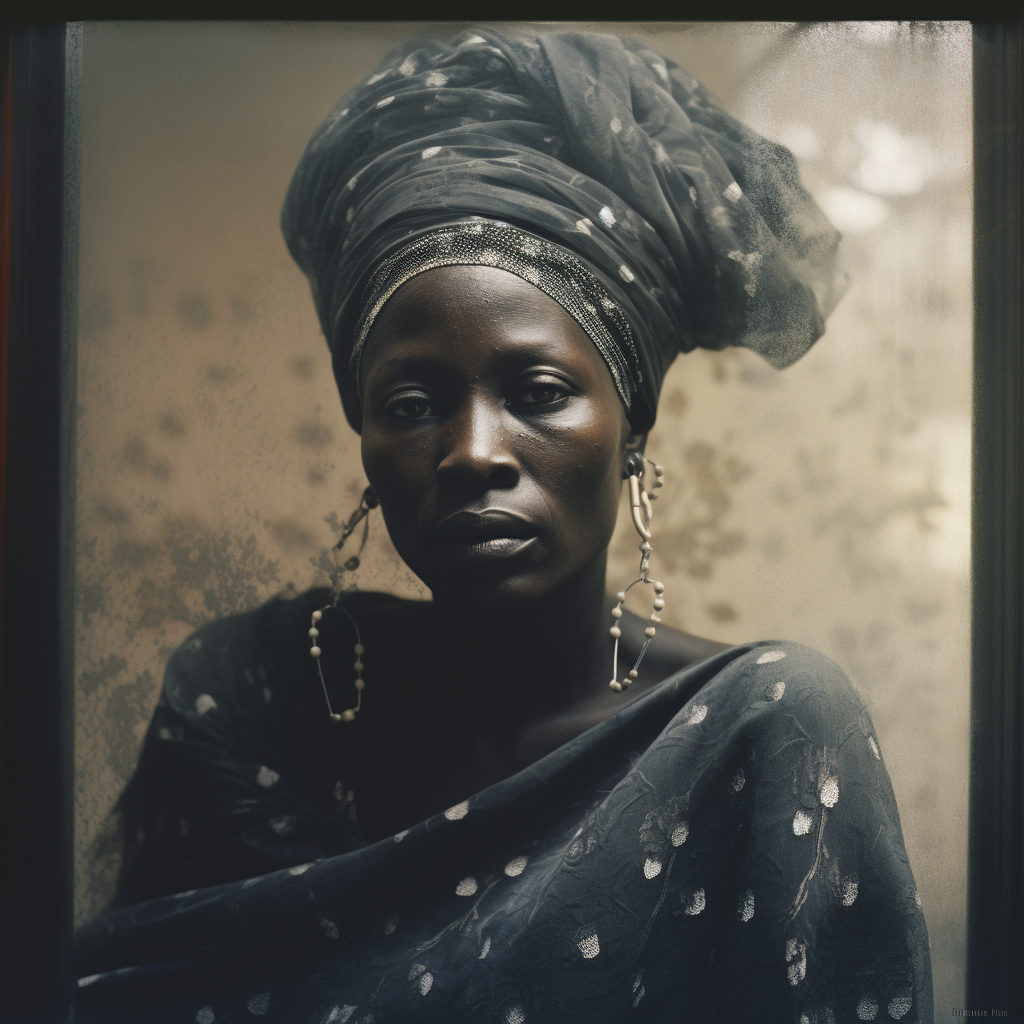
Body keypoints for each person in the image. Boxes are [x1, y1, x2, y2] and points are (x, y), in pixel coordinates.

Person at [74, 26, 932, 1024]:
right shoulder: (252, 696)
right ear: (363, 441)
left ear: (629, 435)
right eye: (410, 404)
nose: (472, 450)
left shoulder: (763, 729)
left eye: (537, 391)